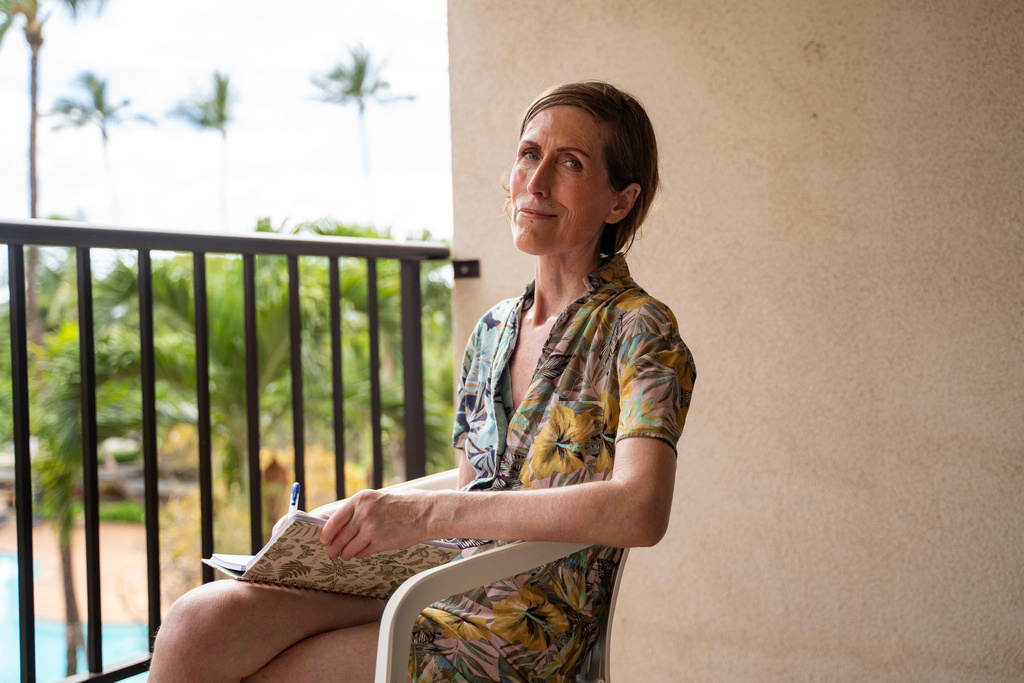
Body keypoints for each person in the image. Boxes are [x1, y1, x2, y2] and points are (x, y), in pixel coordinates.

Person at [149, 80, 696, 683]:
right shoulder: (492, 332)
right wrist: (337, 521)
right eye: (528, 153)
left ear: (620, 202)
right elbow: (473, 484)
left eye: (570, 163)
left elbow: (640, 509)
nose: (535, 183)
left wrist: (431, 515)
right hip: (439, 582)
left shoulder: (640, 329)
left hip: (527, 630)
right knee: (198, 622)